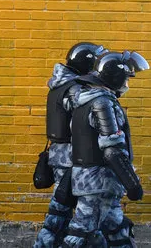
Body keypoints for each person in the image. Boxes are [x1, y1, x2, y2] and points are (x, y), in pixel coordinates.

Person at [61, 50, 149, 248]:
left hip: (90, 179)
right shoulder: (102, 103)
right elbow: (112, 150)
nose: (127, 84)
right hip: (98, 183)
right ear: (114, 77)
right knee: (79, 235)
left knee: (118, 231)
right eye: (126, 78)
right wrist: (132, 183)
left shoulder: (85, 99)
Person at [34, 43, 107, 247]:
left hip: (60, 155)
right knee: (75, 213)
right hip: (72, 158)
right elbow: (86, 119)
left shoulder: (60, 85)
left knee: (61, 210)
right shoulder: (75, 90)